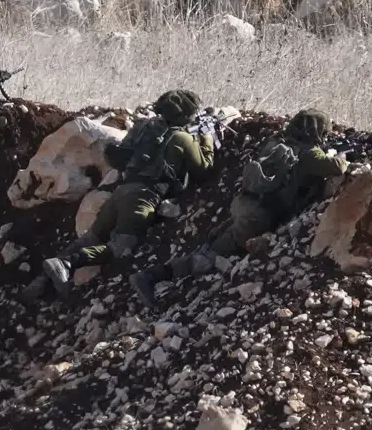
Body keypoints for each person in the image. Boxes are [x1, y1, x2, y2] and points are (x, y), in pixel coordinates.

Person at [131, 108, 347, 307]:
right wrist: (340, 155)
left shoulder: (276, 142)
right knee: (207, 259)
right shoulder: (309, 154)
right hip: (259, 216)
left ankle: (162, 272)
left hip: (244, 203)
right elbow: (337, 167)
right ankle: (151, 277)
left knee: (213, 243)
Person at [41, 90, 216, 298]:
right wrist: (207, 139)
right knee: (121, 247)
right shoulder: (183, 138)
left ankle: (43, 282)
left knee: (90, 238)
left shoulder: (143, 127)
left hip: (120, 192)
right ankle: (66, 263)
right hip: (143, 198)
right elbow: (203, 169)